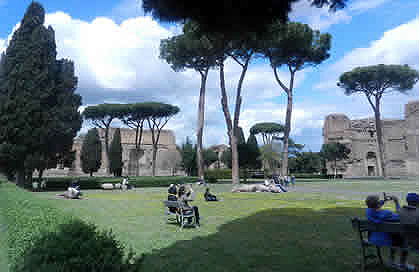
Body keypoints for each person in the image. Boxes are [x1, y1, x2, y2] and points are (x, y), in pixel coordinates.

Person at [365, 194, 411, 270]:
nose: (380, 201)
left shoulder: (368, 211)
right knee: (404, 241)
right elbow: (400, 215)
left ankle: (392, 261)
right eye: (378, 201)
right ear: (377, 204)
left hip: (373, 238)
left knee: (394, 235)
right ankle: (403, 263)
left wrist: (384, 201)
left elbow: (375, 207)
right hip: (387, 239)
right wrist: (396, 202)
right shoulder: (386, 214)